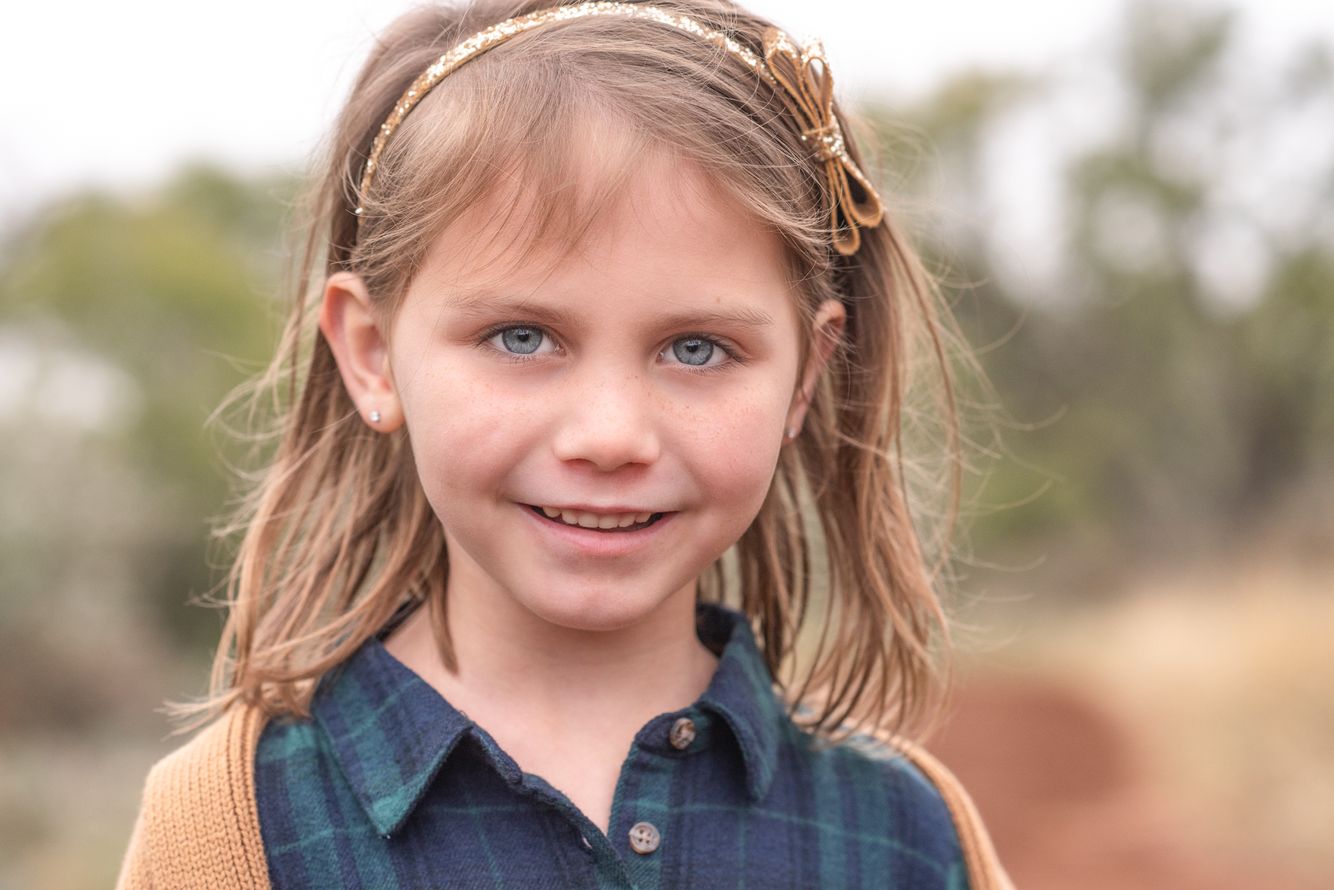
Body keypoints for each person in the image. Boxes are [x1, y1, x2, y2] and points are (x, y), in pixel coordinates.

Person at [116, 1, 1011, 887]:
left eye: (697, 349)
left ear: (804, 377)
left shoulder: (904, 835)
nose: (610, 437)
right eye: (522, 337)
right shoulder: (234, 832)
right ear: (373, 354)